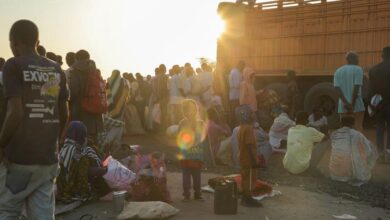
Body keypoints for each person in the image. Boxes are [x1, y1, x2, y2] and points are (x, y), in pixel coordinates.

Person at [0, 20, 69, 219]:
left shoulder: (14, 65)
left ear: (13, 42)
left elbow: (16, 112)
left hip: (20, 158)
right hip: (47, 159)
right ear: (37, 42)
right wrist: (56, 142)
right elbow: (64, 112)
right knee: (43, 214)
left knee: (7, 210)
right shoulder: (55, 69)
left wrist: (1, 144)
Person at [57, 121, 108, 202]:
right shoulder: (77, 151)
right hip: (73, 189)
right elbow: (85, 171)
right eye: (84, 134)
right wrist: (105, 170)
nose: (85, 137)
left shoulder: (64, 148)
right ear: (81, 135)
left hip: (62, 187)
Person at [329, 116, 378, 185]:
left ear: (341, 124)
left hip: (334, 173)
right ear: (353, 124)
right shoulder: (357, 134)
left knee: (355, 149)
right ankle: (354, 173)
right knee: (368, 148)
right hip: (348, 173)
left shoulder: (334, 134)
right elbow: (369, 150)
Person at [69, 49, 104, 142]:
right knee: (93, 143)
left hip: (80, 112)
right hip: (95, 112)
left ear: (76, 58)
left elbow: (73, 91)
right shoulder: (95, 71)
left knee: (80, 143)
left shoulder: (75, 71)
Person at [178, 99, 206, 201]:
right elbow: (203, 140)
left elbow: (179, 138)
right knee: (196, 175)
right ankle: (197, 194)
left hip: (186, 155)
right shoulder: (201, 124)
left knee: (186, 175)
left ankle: (186, 194)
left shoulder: (182, 123)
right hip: (197, 154)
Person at [236, 105, 262, 207]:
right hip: (249, 159)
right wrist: (254, 161)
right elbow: (249, 146)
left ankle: (245, 197)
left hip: (243, 158)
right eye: (251, 113)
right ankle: (248, 198)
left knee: (245, 177)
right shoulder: (249, 129)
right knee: (250, 179)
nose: (253, 115)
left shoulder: (241, 128)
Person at [334, 51, 365, 131]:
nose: (358, 61)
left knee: (344, 128)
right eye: (357, 58)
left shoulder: (338, 71)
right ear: (353, 59)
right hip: (356, 104)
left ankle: (345, 143)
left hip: (343, 105)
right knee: (358, 126)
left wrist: (346, 103)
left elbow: (337, 88)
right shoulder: (358, 69)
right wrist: (352, 105)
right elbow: (356, 86)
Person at [368, 47, 390, 156]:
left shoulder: (373, 69)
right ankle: (389, 153)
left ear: (382, 56)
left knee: (380, 126)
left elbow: (371, 89)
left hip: (379, 104)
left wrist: (371, 105)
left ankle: (380, 153)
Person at [229, 60, 245, 126]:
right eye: (243, 66)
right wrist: (244, 83)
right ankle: (234, 126)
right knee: (236, 112)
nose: (243, 68)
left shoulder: (234, 71)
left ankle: (234, 125)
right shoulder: (236, 73)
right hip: (236, 95)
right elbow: (236, 85)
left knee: (234, 111)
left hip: (234, 95)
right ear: (240, 65)